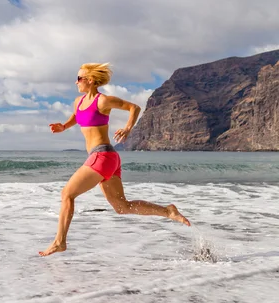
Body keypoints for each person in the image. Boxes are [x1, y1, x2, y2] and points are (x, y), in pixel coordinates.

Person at [39, 63, 190, 257]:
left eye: (79, 78)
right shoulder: (78, 102)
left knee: (67, 194)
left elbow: (133, 107)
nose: (75, 82)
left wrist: (128, 128)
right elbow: (78, 116)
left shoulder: (103, 101)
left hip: (101, 156)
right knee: (122, 207)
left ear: (90, 80)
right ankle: (168, 211)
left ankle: (60, 242)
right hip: (108, 158)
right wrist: (64, 127)